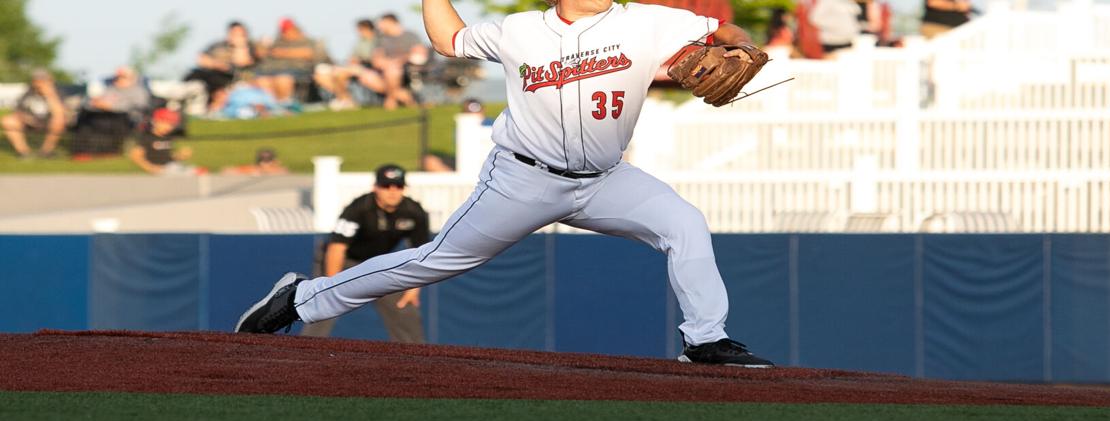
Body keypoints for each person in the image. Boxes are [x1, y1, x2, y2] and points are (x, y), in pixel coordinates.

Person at [236, 0, 776, 368]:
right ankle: (299, 299)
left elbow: (723, 31)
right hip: (523, 177)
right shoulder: (519, 29)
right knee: (435, 261)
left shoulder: (647, 20)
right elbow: (449, 39)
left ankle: (705, 339)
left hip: (607, 180)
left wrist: (742, 45)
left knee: (685, 223)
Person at [299, 164, 431, 342]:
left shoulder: (413, 212)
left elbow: (421, 253)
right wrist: (332, 284)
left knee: (405, 307)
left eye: (398, 186)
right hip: (344, 261)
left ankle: (417, 360)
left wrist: (413, 290)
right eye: (386, 186)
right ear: (375, 187)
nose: (392, 191)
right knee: (325, 305)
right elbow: (337, 247)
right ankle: (306, 352)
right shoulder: (359, 208)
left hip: (378, 263)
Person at [186, 21, 258, 111]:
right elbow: (201, 59)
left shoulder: (248, 47)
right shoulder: (217, 45)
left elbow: (242, 62)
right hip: (211, 74)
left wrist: (239, 45)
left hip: (231, 78)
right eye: (233, 33)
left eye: (239, 34)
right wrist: (217, 64)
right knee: (194, 74)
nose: (235, 36)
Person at [3, 69, 68, 158]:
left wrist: (49, 94)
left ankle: (46, 152)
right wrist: (26, 118)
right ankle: (24, 152)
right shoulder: (28, 92)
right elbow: (18, 111)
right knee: (8, 120)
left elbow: (59, 113)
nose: (39, 83)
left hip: (49, 123)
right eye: (37, 80)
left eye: (43, 80)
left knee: (59, 121)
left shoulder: (58, 92)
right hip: (29, 122)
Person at [255, 19, 320, 105]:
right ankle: (272, 106)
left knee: (282, 79)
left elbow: (309, 53)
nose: (286, 33)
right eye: (284, 31)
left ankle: (284, 104)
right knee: (263, 81)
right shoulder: (277, 42)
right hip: (272, 70)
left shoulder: (306, 40)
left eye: (288, 30)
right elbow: (261, 54)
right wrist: (262, 45)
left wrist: (284, 53)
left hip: (296, 71)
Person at [365, 13, 422, 109]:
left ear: (391, 22)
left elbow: (419, 53)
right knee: (366, 77)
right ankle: (405, 97)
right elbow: (376, 59)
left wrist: (398, 61)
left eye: (382, 23)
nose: (379, 26)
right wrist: (386, 63)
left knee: (393, 71)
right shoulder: (381, 39)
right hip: (384, 70)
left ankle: (391, 100)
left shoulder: (410, 36)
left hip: (406, 69)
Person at [127, 108, 199, 176]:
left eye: (171, 125)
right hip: (161, 171)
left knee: (199, 171)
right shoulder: (147, 137)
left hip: (170, 167)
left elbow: (166, 157)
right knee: (194, 173)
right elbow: (135, 156)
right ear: (156, 122)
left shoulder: (167, 137)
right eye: (165, 123)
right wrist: (150, 168)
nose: (169, 127)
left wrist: (180, 156)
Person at [221, 147, 289, 175]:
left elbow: (226, 170)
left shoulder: (251, 169)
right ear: (274, 160)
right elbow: (226, 170)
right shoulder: (280, 171)